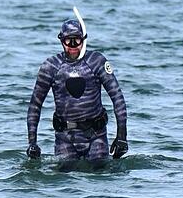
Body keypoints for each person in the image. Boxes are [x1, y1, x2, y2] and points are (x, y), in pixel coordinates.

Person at [26, 13, 128, 162]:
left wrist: (122, 137)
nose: (73, 46)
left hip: (96, 136)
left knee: (99, 174)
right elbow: (35, 105)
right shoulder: (51, 67)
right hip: (65, 138)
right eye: (68, 41)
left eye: (77, 40)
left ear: (83, 40)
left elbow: (117, 98)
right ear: (61, 41)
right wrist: (32, 143)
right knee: (64, 178)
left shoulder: (97, 62)